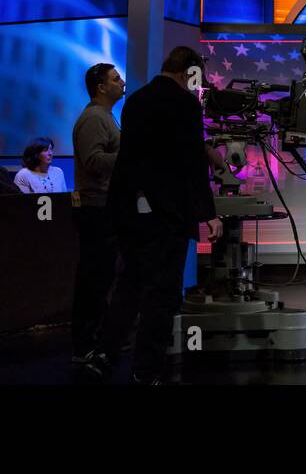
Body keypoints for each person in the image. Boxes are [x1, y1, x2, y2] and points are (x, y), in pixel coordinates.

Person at [103, 47, 223, 384]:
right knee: (163, 294)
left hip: (130, 211)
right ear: (189, 72)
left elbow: (132, 159)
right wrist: (209, 214)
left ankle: (106, 354)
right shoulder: (185, 104)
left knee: (130, 284)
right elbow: (191, 164)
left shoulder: (136, 100)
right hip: (167, 215)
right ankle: (147, 371)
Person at [70, 62, 125, 376]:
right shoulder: (93, 118)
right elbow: (93, 162)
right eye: (116, 78)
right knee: (94, 277)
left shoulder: (105, 117)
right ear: (101, 87)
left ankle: (94, 341)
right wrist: (130, 156)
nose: (122, 82)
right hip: (96, 209)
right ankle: (84, 345)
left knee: (101, 276)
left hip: (104, 207)